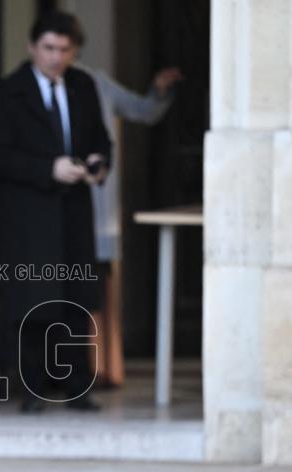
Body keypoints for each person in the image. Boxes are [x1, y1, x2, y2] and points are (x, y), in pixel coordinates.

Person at [0, 11, 111, 413]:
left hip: (74, 210)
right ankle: (32, 389)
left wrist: (98, 162)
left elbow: (101, 140)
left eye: (65, 49)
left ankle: (78, 386)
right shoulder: (9, 91)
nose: (57, 57)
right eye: (49, 48)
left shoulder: (83, 86)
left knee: (76, 296)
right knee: (32, 299)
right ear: (32, 47)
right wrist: (48, 169)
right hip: (28, 215)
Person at [87, 65, 183, 388]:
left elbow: (143, 110)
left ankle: (100, 369)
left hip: (94, 206)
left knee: (96, 284)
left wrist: (159, 90)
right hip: (47, 203)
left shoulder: (94, 81)